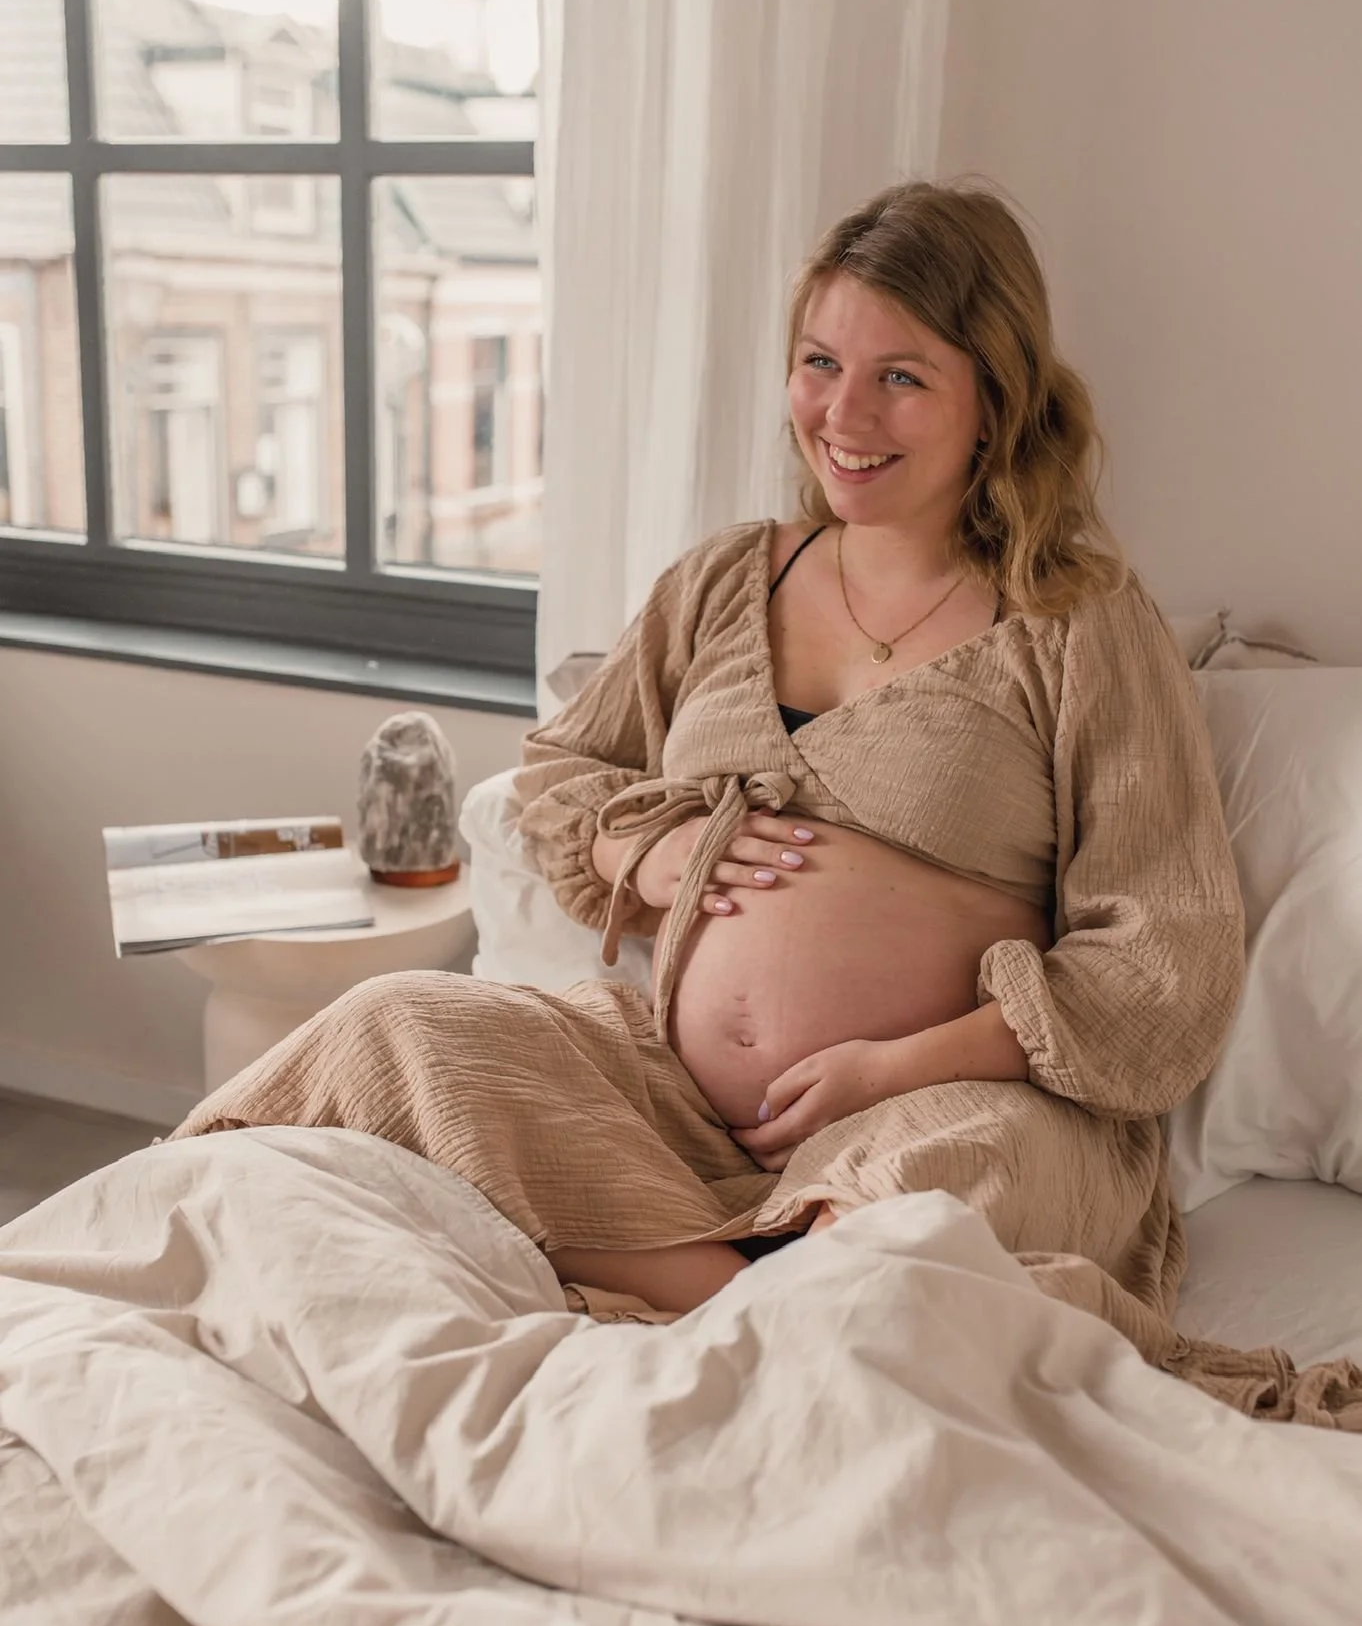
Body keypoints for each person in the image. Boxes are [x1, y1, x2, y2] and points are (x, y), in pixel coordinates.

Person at [181, 180, 1312, 1416]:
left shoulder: (1077, 619)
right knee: (395, 1020)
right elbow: (567, 771)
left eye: (902, 376)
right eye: (820, 362)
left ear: (994, 397)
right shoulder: (724, 579)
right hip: (672, 1097)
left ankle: (692, 1276)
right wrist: (657, 858)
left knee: (933, 1206)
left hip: (960, 1101)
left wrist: (894, 1066)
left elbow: (1170, 952)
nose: (843, 412)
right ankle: (732, 1291)